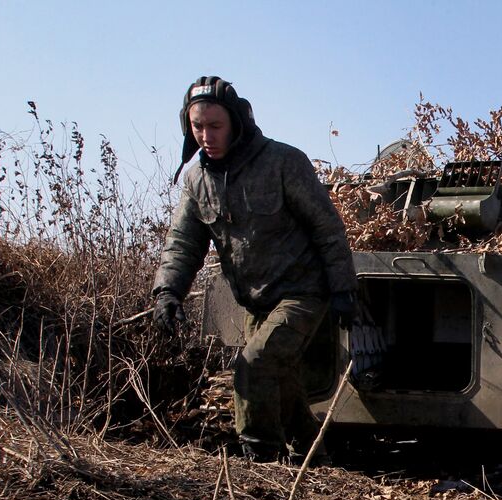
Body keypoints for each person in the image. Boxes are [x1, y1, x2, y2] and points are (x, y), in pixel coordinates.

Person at [151, 75, 372, 463]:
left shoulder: (283, 162)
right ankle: (315, 459)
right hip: (257, 301)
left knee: (255, 364)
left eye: (215, 126)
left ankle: (261, 461)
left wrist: (343, 288)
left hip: (305, 291)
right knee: (279, 382)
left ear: (236, 122)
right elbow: (183, 243)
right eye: (197, 126)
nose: (206, 135)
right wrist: (167, 291)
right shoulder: (196, 180)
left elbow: (327, 226)